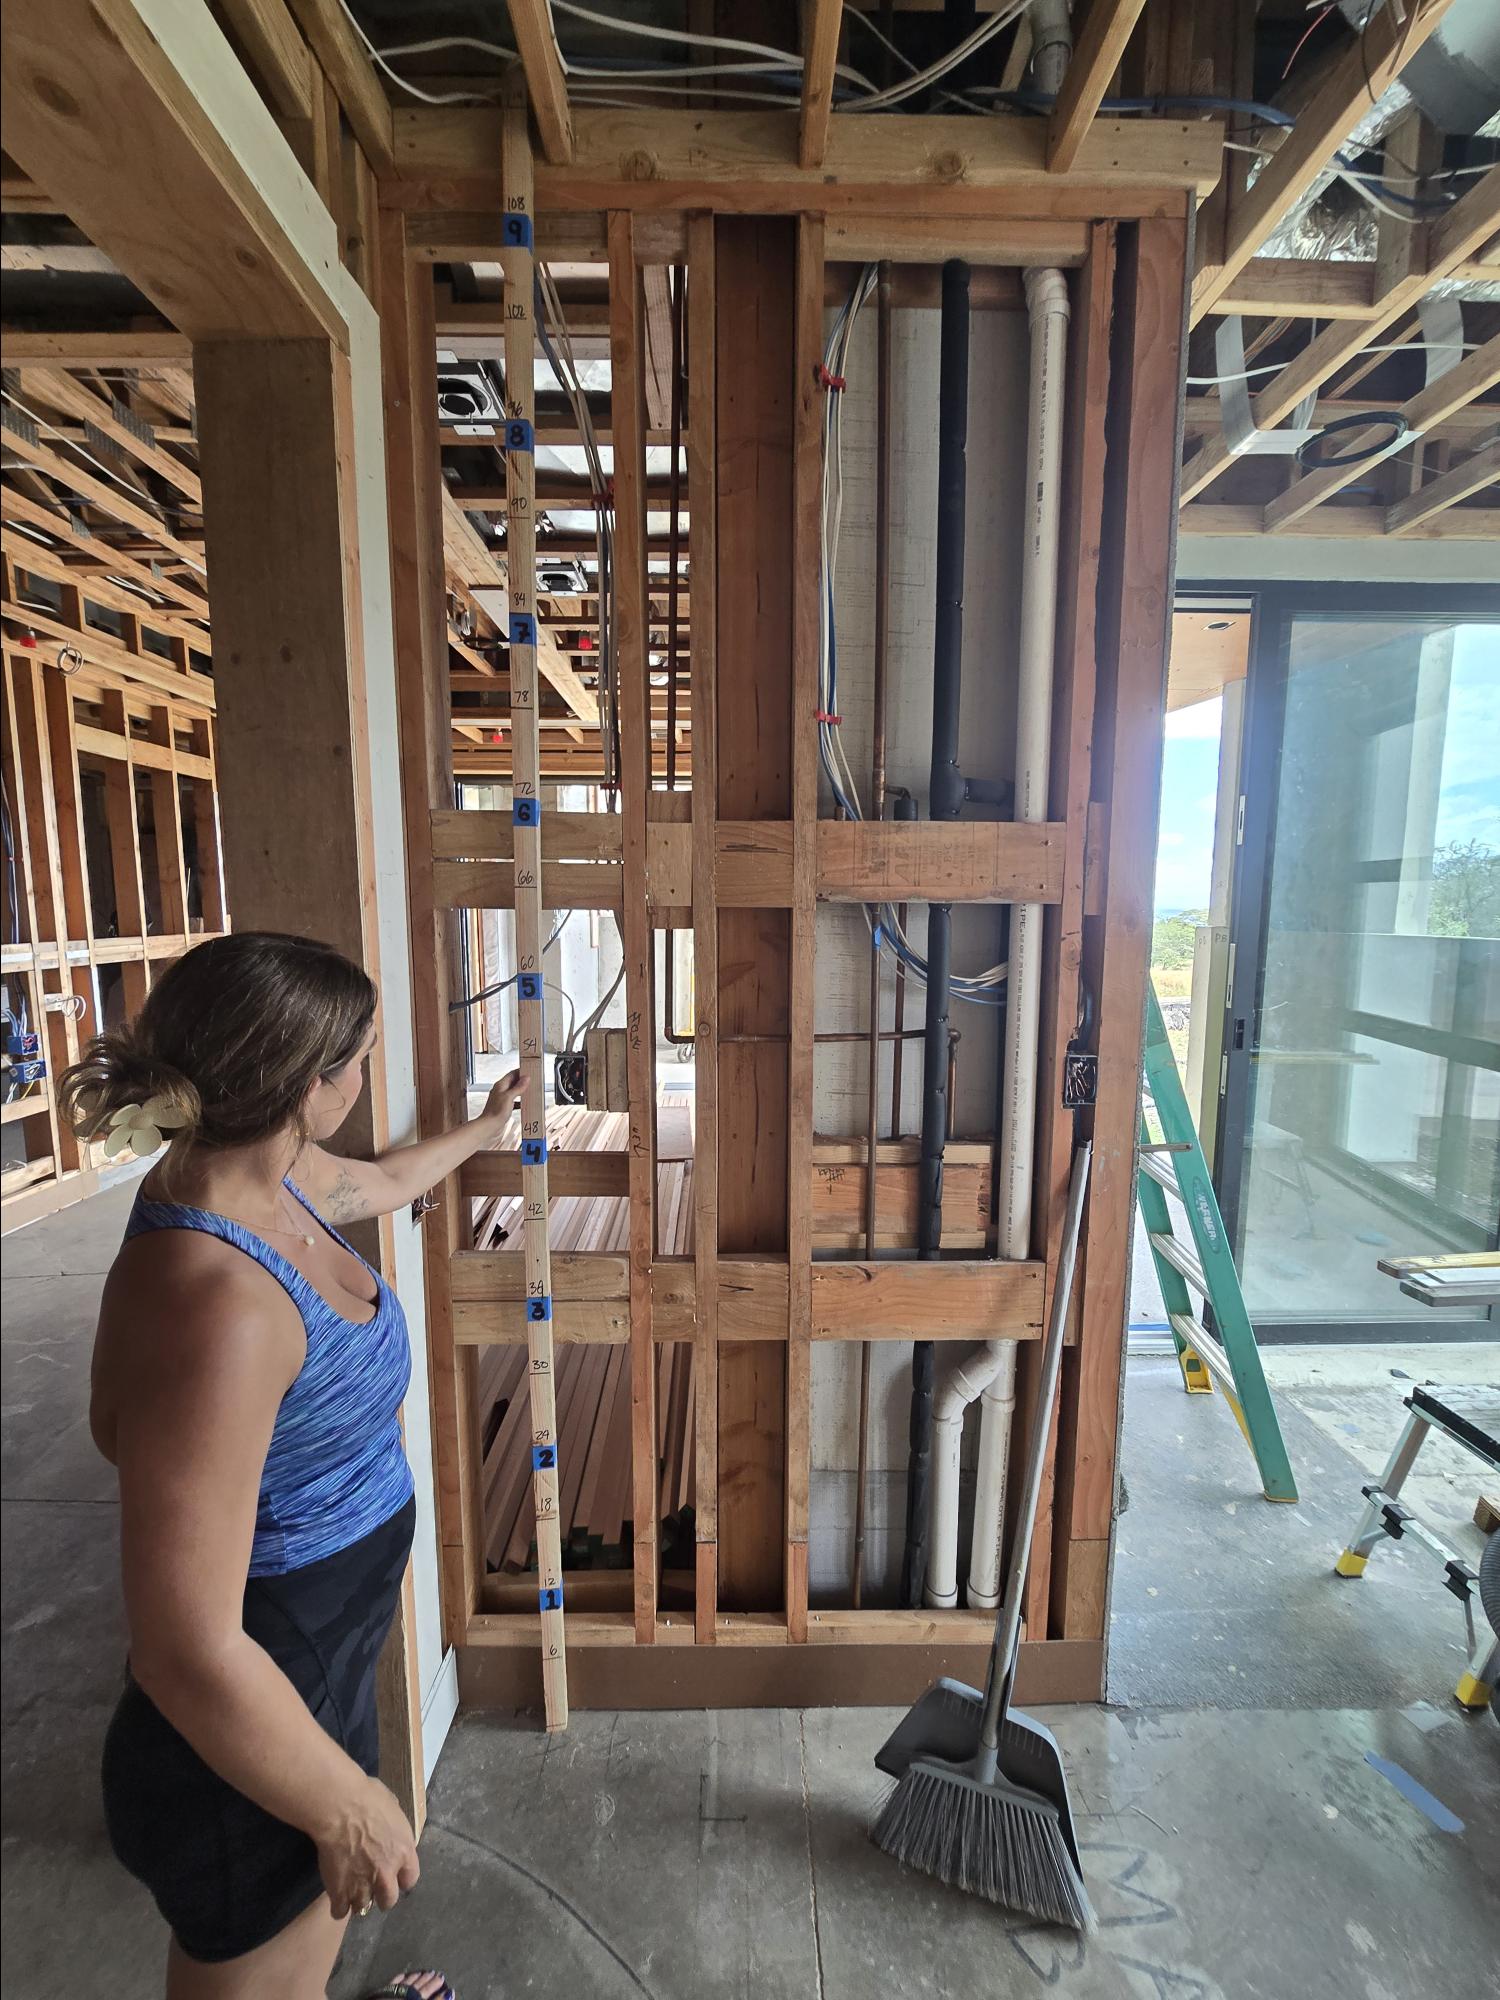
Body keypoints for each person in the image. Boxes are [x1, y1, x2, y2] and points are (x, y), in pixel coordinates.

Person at [61, 931, 518, 2000]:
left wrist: (489, 1126)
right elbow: (185, 1649)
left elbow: (388, 1179)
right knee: (267, 1957)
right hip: (243, 1711)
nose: (365, 1076)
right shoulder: (218, 1300)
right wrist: (343, 1803)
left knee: (308, 1935)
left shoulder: (275, 1170)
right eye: (360, 1058)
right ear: (308, 1087)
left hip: (317, 1659)